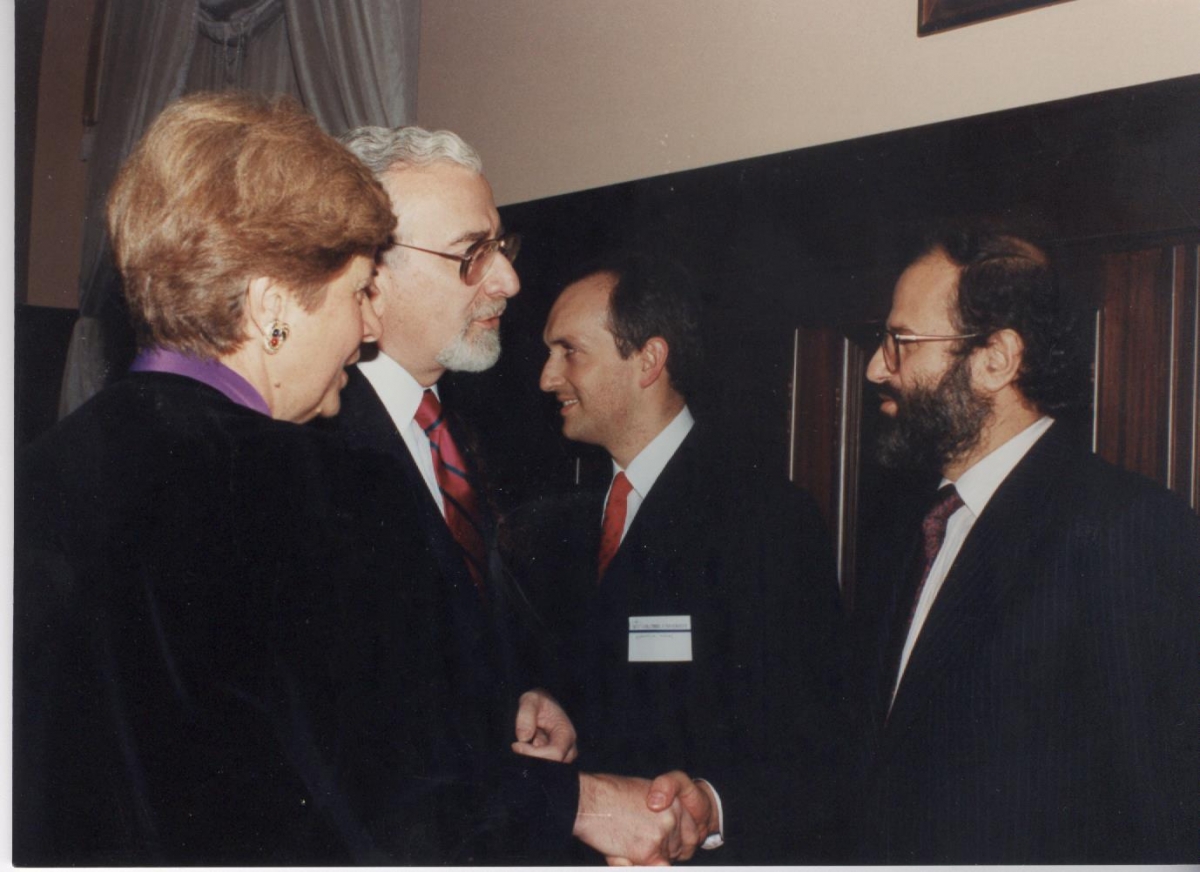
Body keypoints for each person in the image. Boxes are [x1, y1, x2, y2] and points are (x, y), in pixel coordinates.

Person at [14, 93, 698, 866]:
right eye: (353, 293)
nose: (366, 327)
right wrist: (583, 804)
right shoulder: (303, 479)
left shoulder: (44, 468)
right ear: (271, 309)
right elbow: (378, 790)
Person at [854, 223, 1200, 863]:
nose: (877, 366)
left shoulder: (1120, 528)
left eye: (901, 342)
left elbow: (1163, 816)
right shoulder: (917, 524)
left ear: (996, 359)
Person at [526, 252, 852, 863]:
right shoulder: (554, 526)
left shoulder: (764, 518)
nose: (547, 378)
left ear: (649, 360)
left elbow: (814, 746)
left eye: (569, 352)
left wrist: (713, 806)